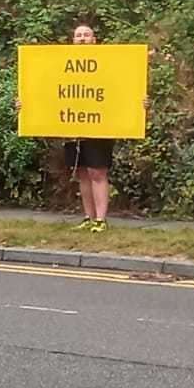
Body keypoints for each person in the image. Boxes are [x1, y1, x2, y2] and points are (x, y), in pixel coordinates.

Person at [64, 23, 114, 233]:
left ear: (94, 40)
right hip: (72, 124)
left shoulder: (107, 63)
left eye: (87, 35)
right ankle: (88, 217)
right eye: (78, 35)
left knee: (97, 171)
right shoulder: (61, 64)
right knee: (83, 172)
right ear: (73, 40)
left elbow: (121, 88)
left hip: (99, 124)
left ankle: (101, 220)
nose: (82, 38)